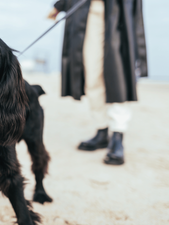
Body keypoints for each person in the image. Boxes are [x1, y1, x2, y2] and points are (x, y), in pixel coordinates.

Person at [48, 0, 148, 165]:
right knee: (92, 77)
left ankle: (117, 135)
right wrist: (59, 5)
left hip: (118, 14)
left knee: (118, 79)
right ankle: (102, 130)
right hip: (88, 15)